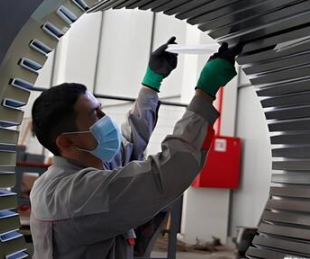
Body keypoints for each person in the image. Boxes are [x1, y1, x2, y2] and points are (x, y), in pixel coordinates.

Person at [29, 37, 242, 258]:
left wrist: (151, 82)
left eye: (100, 108)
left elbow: (131, 140)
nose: (105, 117)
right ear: (66, 142)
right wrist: (204, 93)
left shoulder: (85, 170)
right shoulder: (75, 194)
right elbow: (166, 172)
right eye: (94, 114)